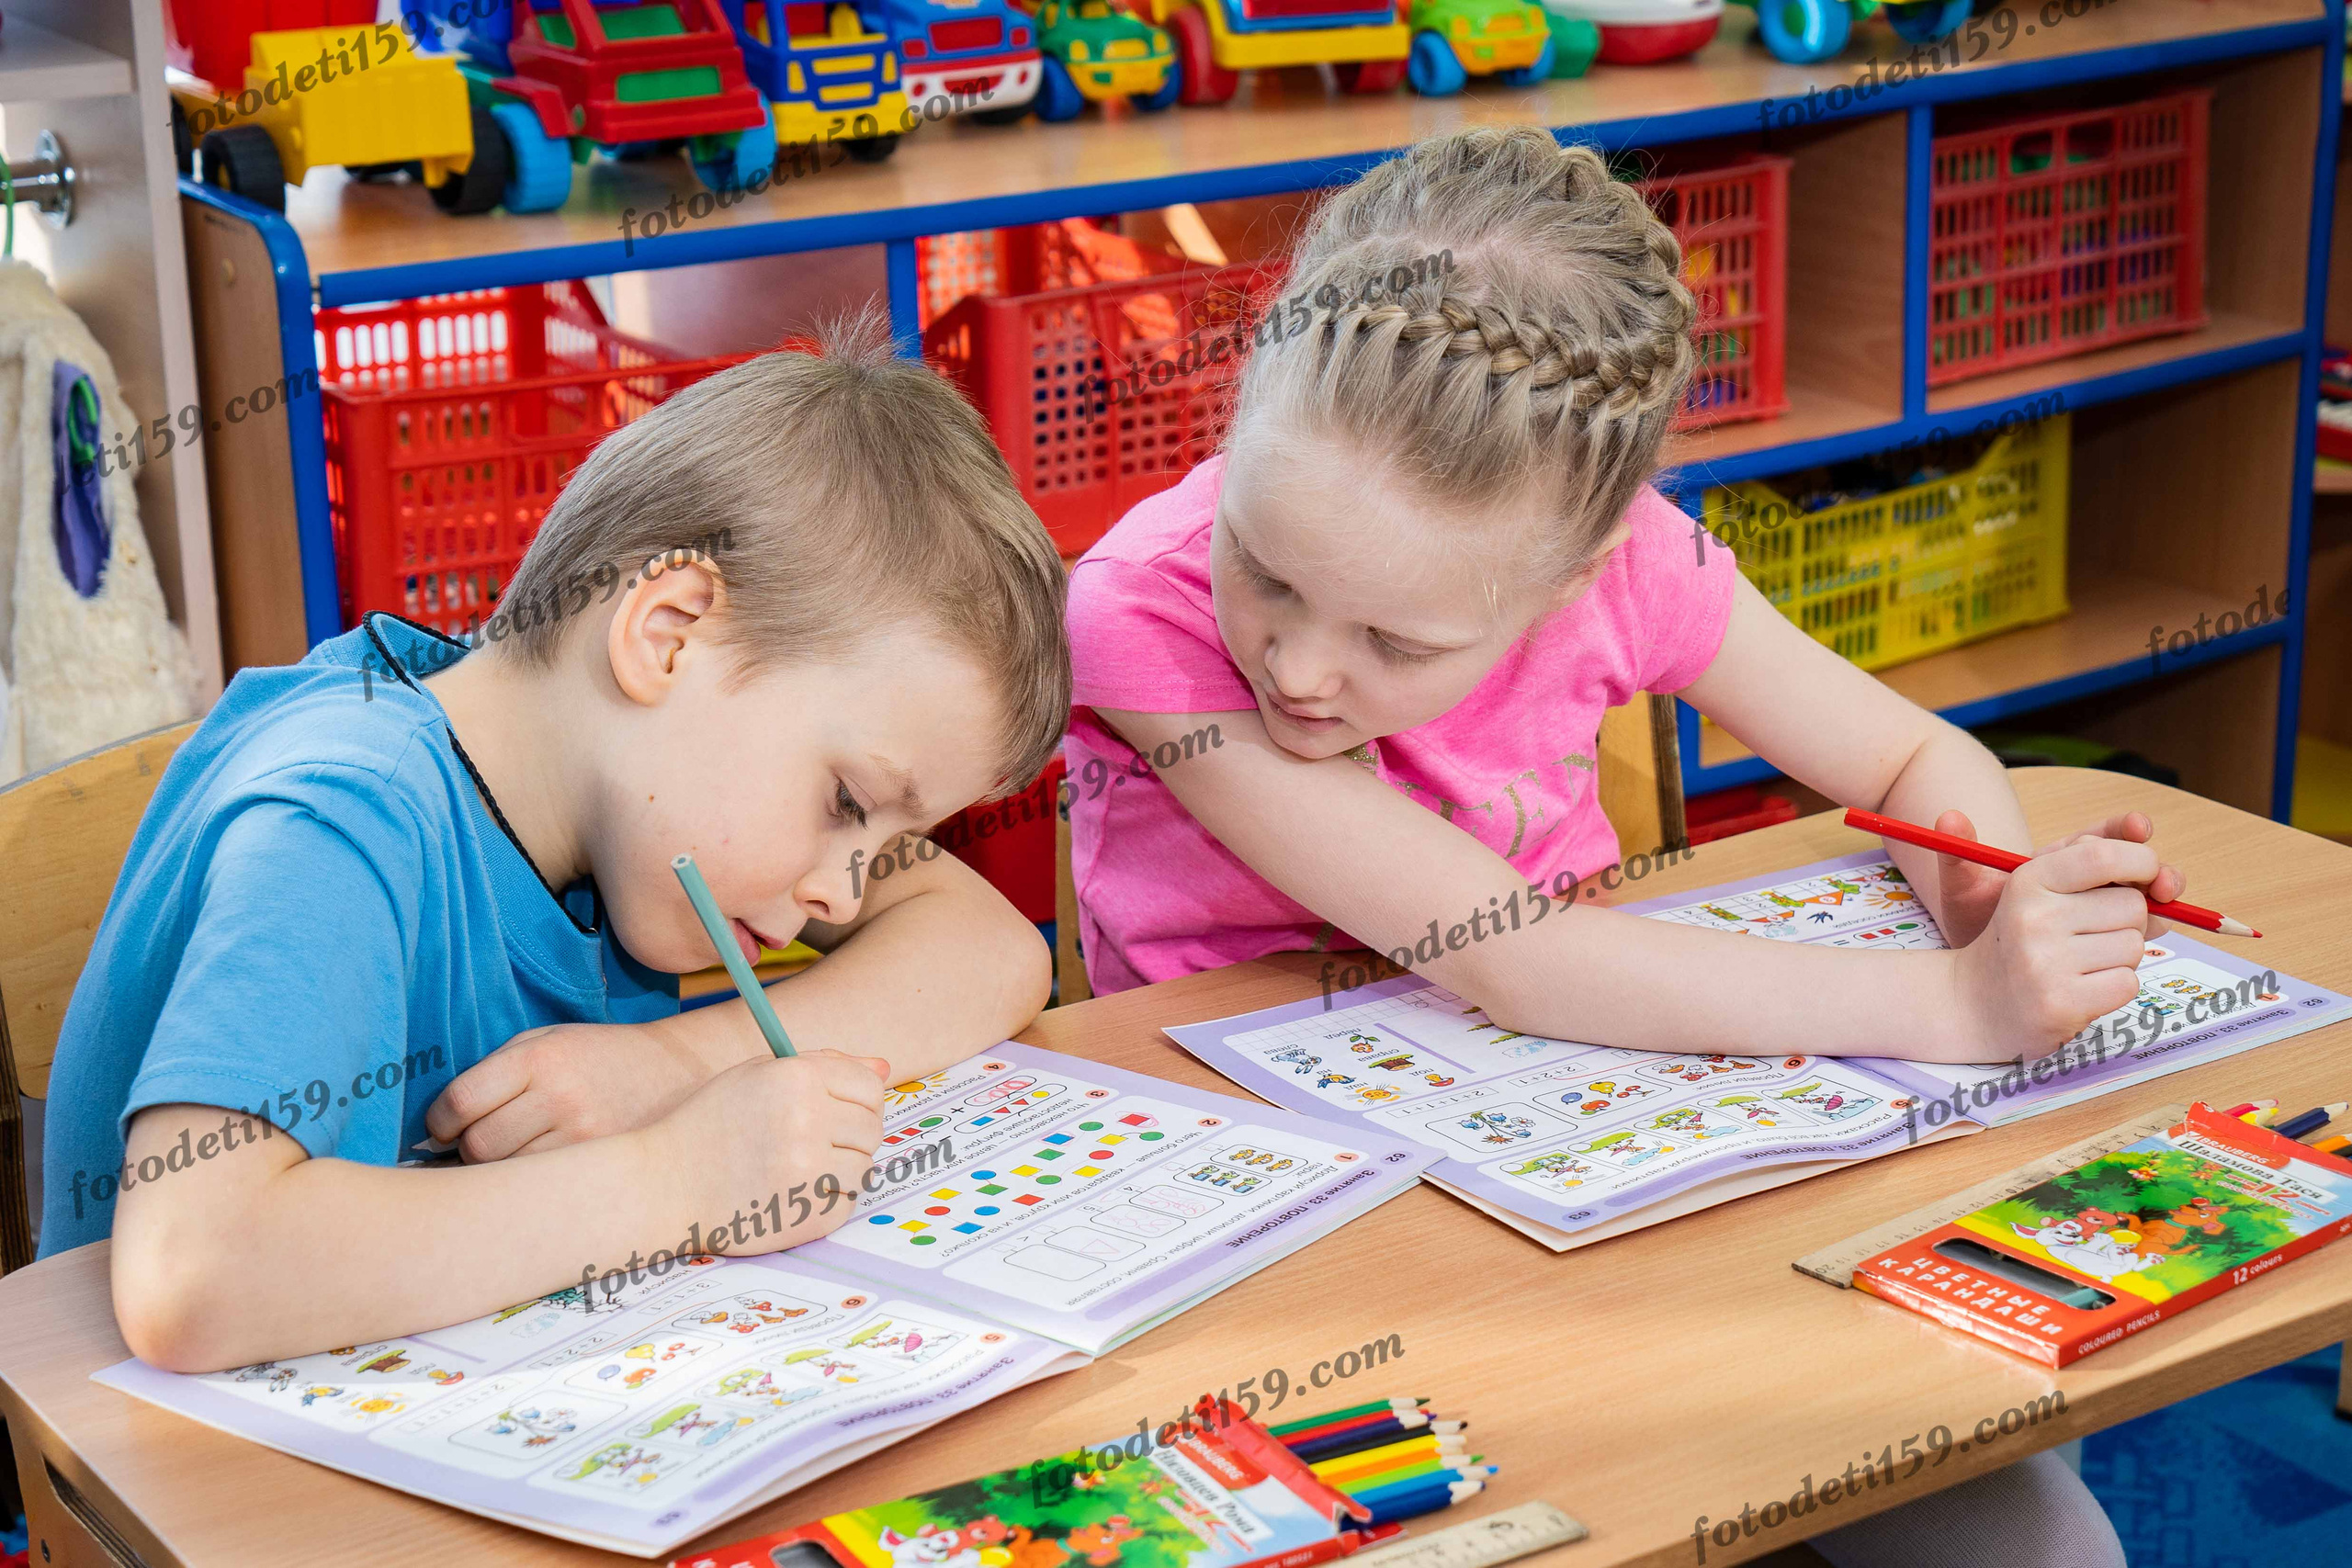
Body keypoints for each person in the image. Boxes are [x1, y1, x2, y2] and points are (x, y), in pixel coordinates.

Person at [1062, 128, 2134, 1567]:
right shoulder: (1139, 610)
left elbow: (1914, 757)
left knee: (2034, 1526)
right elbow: (1509, 955)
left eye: (1394, 638)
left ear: (1580, 571)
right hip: (1290, 1231)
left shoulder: (1631, 561)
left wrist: (1989, 906)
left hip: (1594, 1129)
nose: (1302, 668)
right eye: (1265, 566)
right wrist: (1959, 1004)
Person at [42, 315, 1070, 1374]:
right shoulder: (341, 822)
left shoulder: (611, 799)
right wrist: (679, 1181)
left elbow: (992, 952)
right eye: (849, 803)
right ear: (666, 636)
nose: (845, 897)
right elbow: (194, 1275)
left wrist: (665, 1066)